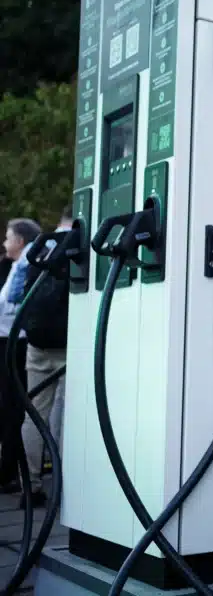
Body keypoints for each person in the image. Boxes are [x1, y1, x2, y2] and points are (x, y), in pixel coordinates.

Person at [16, 206, 73, 507]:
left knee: (33, 414)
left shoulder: (41, 245)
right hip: (69, 345)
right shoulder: (80, 246)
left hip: (37, 344)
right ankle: (65, 489)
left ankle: (30, 486)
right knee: (65, 415)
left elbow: (16, 295)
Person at [0, 218, 43, 492]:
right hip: (13, 341)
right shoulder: (20, 263)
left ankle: (11, 472)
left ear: (20, 241)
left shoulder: (25, 264)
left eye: (8, 237)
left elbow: (11, 302)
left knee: (13, 407)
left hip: (14, 343)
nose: (5, 243)